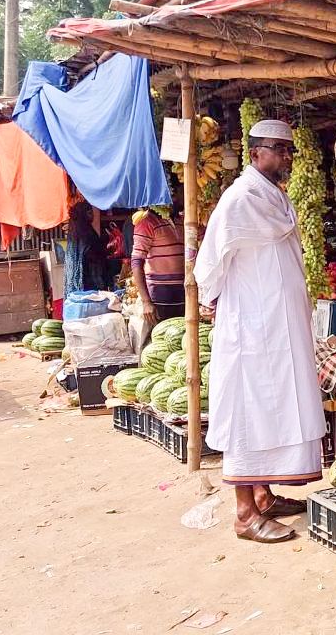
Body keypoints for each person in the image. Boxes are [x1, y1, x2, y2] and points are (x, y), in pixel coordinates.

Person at [194, 119, 326, 544]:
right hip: (251, 327)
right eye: (278, 149)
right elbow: (210, 265)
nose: (286, 156)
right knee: (248, 412)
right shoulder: (238, 201)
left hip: (280, 325)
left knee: (277, 407)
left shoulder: (273, 198)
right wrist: (211, 299)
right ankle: (245, 514)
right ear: (255, 152)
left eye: (290, 149)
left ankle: (264, 495)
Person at [130, 205, 185, 321]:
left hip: (185, 294)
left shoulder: (183, 220)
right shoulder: (146, 222)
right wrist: (146, 302)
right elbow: (136, 261)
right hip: (160, 297)